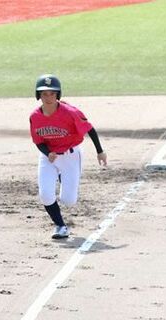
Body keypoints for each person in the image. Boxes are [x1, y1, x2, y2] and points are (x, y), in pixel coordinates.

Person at [29, 74, 107, 240]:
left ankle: (62, 176)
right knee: (46, 194)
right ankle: (60, 226)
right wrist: (47, 153)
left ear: (58, 94)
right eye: (44, 94)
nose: (48, 97)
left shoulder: (70, 113)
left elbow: (90, 129)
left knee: (68, 200)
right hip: (49, 158)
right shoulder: (35, 117)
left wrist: (100, 151)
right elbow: (38, 141)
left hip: (71, 156)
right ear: (38, 96)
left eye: (52, 93)